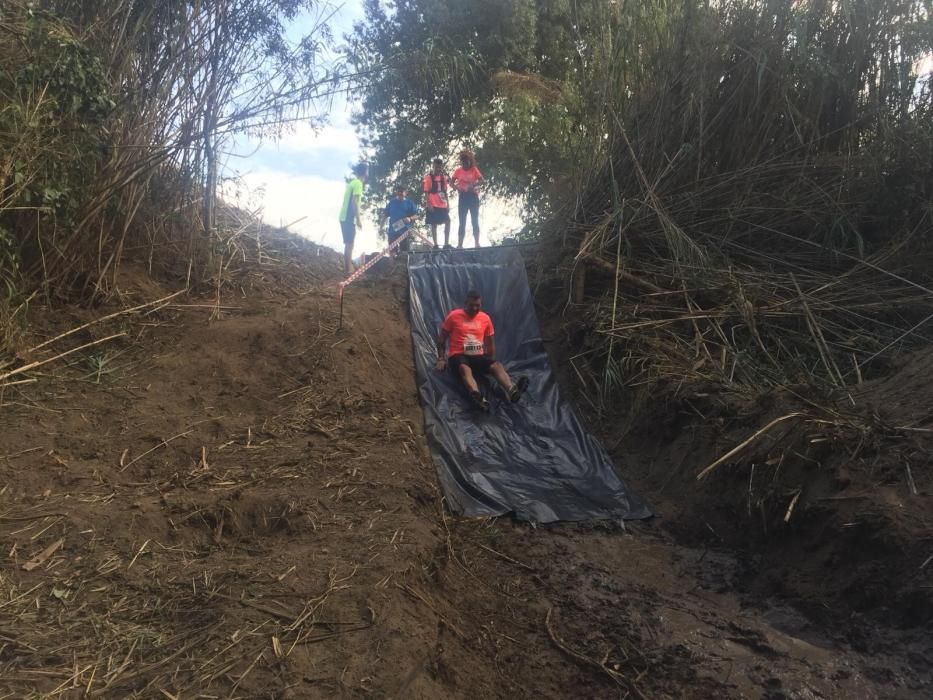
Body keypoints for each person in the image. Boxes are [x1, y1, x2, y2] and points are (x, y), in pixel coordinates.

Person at [435, 290, 528, 410]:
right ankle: (477, 395)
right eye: (471, 305)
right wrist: (441, 358)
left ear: (481, 305)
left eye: (477, 305)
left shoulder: (485, 318)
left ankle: (511, 390)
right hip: (458, 355)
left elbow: (490, 343)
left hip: (477, 355)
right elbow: (442, 339)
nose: (474, 308)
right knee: (464, 368)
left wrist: (490, 362)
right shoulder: (454, 316)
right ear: (465, 304)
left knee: (497, 365)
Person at [452, 149, 484, 248]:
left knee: (474, 220)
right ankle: (460, 244)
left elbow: (482, 181)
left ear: (470, 161)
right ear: (461, 162)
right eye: (463, 162)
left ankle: (477, 243)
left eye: (467, 162)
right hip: (463, 197)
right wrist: (457, 188)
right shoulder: (458, 171)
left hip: (473, 196)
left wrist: (473, 184)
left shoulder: (474, 169)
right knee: (462, 221)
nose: (465, 164)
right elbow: (451, 183)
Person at [339, 163, 367, 274]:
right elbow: (354, 202)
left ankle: (348, 269)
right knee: (350, 244)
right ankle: (348, 271)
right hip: (348, 217)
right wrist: (359, 220)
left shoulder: (352, 183)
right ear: (366, 172)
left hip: (344, 216)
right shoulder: (359, 183)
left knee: (348, 243)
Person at [379, 184, 419, 254]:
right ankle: (392, 263)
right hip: (392, 232)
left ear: (406, 192)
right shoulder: (392, 202)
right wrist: (380, 228)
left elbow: (417, 215)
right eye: (398, 191)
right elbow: (385, 215)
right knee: (392, 253)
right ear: (396, 192)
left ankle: (402, 263)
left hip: (405, 232)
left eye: (402, 191)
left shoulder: (410, 203)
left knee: (404, 254)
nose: (400, 193)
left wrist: (410, 218)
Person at [422, 158, 451, 248]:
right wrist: (429, 204)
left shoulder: (443, 178)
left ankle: (446, 243)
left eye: (439, 167)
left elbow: (445, 192)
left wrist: (448, 204)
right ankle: (435, 244)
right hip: (432, 203)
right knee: (433, 223)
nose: (438, 169)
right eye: (436, 167)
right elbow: (426, 192)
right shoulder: (428, 178)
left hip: (442, 204)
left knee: (448, 221)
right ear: (433, 166)